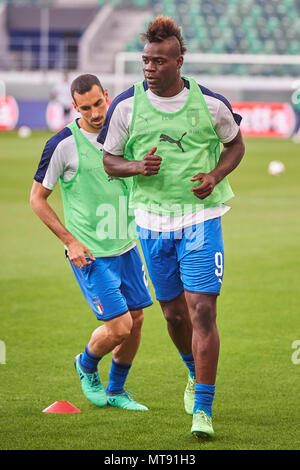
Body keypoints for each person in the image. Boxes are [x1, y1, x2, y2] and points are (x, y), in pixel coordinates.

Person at [99, 16, 245, 437]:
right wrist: (134, 166)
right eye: (145, 60)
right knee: (174, 316)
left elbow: (235, 142)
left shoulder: (209, 103)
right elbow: (109, 159)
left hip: (201, 220)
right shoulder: (126, 106)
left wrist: (215, 176)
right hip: (151, 223)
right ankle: (191, 370)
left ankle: (203, 409)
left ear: (179, 62)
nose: (149, 68)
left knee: (202, 310)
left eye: (159, 61)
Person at [30, 73, 152, 411]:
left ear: (106, 95)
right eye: (86, 108)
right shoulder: (62, 144)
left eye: (99, 103)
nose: (96, 113)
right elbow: (37, 198)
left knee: (137, 319)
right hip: (90, 255)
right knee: (120, 326)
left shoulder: (124, 134)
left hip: (126, 245)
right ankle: (85, 364)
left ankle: (116, 390)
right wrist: (70, 241)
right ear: (75, 107)